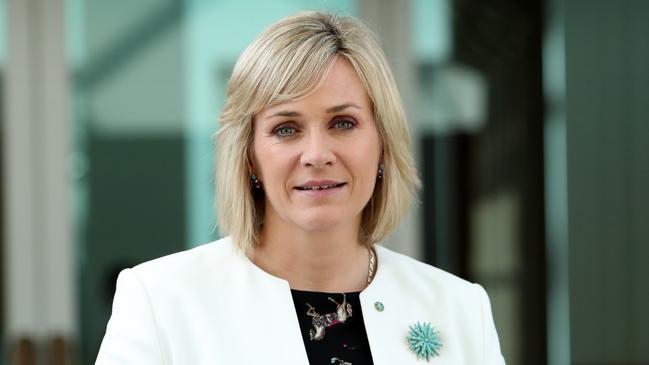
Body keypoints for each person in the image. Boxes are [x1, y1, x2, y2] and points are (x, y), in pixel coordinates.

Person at [95, 11, 505, 365]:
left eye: (343, 123)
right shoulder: (159, 302)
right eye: (286, 128)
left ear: (382, 142)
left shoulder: (459, 309)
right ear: (250, 155)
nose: (316, 153)